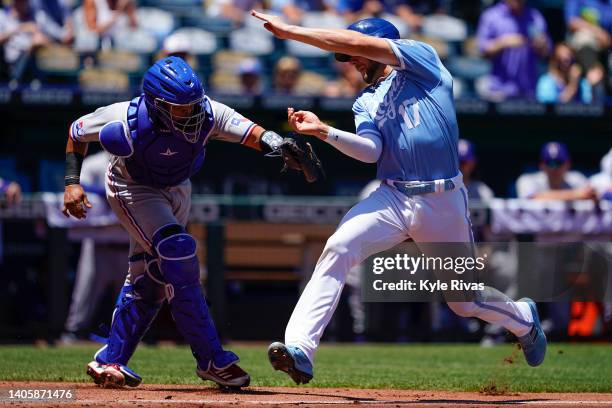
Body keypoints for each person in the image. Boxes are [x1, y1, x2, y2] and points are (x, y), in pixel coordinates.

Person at [251, 12, 547, 384]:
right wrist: (325, 132)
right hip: (392, 196)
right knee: (339, 247)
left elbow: (357, 44)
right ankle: (300, 349)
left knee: (463, 302)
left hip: (442, 199)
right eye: (349, 58)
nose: (353, 62)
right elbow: (371, 151)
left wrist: (291, 32)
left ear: (382, 46)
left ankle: (522, 318)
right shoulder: (366, 100)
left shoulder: (422, 62)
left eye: (357, 54)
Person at [62, 56, 318, 388]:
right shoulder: (123, 118)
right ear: (156, 105)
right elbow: (75, 132)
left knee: (152, 279)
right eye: (181, 108)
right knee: (178, 253)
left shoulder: (208, 112)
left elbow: (252, 132)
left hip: (178, 188)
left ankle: (111, 360)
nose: (193, 114)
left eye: (194, 105)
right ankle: (212, 358)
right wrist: (72, 182)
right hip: (132, 186)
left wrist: (278, 143)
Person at [60, 151, 128, 344]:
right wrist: (111, 196)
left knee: (131, 301)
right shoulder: (93, 163)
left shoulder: (136, 160)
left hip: (128, 245)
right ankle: (73, 334)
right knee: (84, 296)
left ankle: (128, 339)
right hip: (98, 244)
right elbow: (80, 192)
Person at [476, 0, 551, 101]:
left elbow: (547, 53)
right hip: (499, 90)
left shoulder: (535, 17)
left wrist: (541, 46)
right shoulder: (491, 16)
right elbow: (482, 49)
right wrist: (503, 43)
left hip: (528, 90)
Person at [516, 141, 595, 200]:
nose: (554, 168)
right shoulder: (527, 180)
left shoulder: (577, 179)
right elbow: (533, 198)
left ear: (568, 164)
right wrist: (576, 194)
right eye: (549, 163)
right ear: (541, 165)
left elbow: (592, 194)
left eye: (558, 163)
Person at [565, 0, 611, 97]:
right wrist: (598, 32)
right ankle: (593, 71)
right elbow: (571, 22)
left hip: (606, 48)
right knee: (584, 37)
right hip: (583, 47)